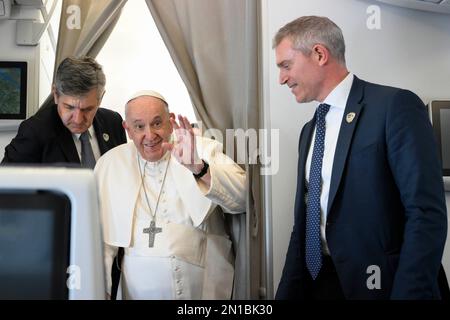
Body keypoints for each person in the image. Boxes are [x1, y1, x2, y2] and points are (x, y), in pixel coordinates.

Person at [273, 16, 448, 299]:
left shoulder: (394, 107)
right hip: (322, 285)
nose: (281, 78)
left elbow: (426, 214)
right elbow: (305, 224)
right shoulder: (310, 131)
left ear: (319, 54)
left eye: (286, 65)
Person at [94, 90, 246, 299]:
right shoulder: (110, 164)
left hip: (203, 293)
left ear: (171, 120)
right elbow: (101, 243)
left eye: (157, 123)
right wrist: (98, 289)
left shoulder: (200, 149)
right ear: (127, 129)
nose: (150, 135)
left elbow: (243, 199)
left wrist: (199, 168)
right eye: (139, 126)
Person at [1, 56, 126, 166]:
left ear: (101, 98)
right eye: (69, 107)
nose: (78, 119)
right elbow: (7, 184)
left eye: (87, 109)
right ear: (56, 95)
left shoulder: (113, 122)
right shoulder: (35, 132)